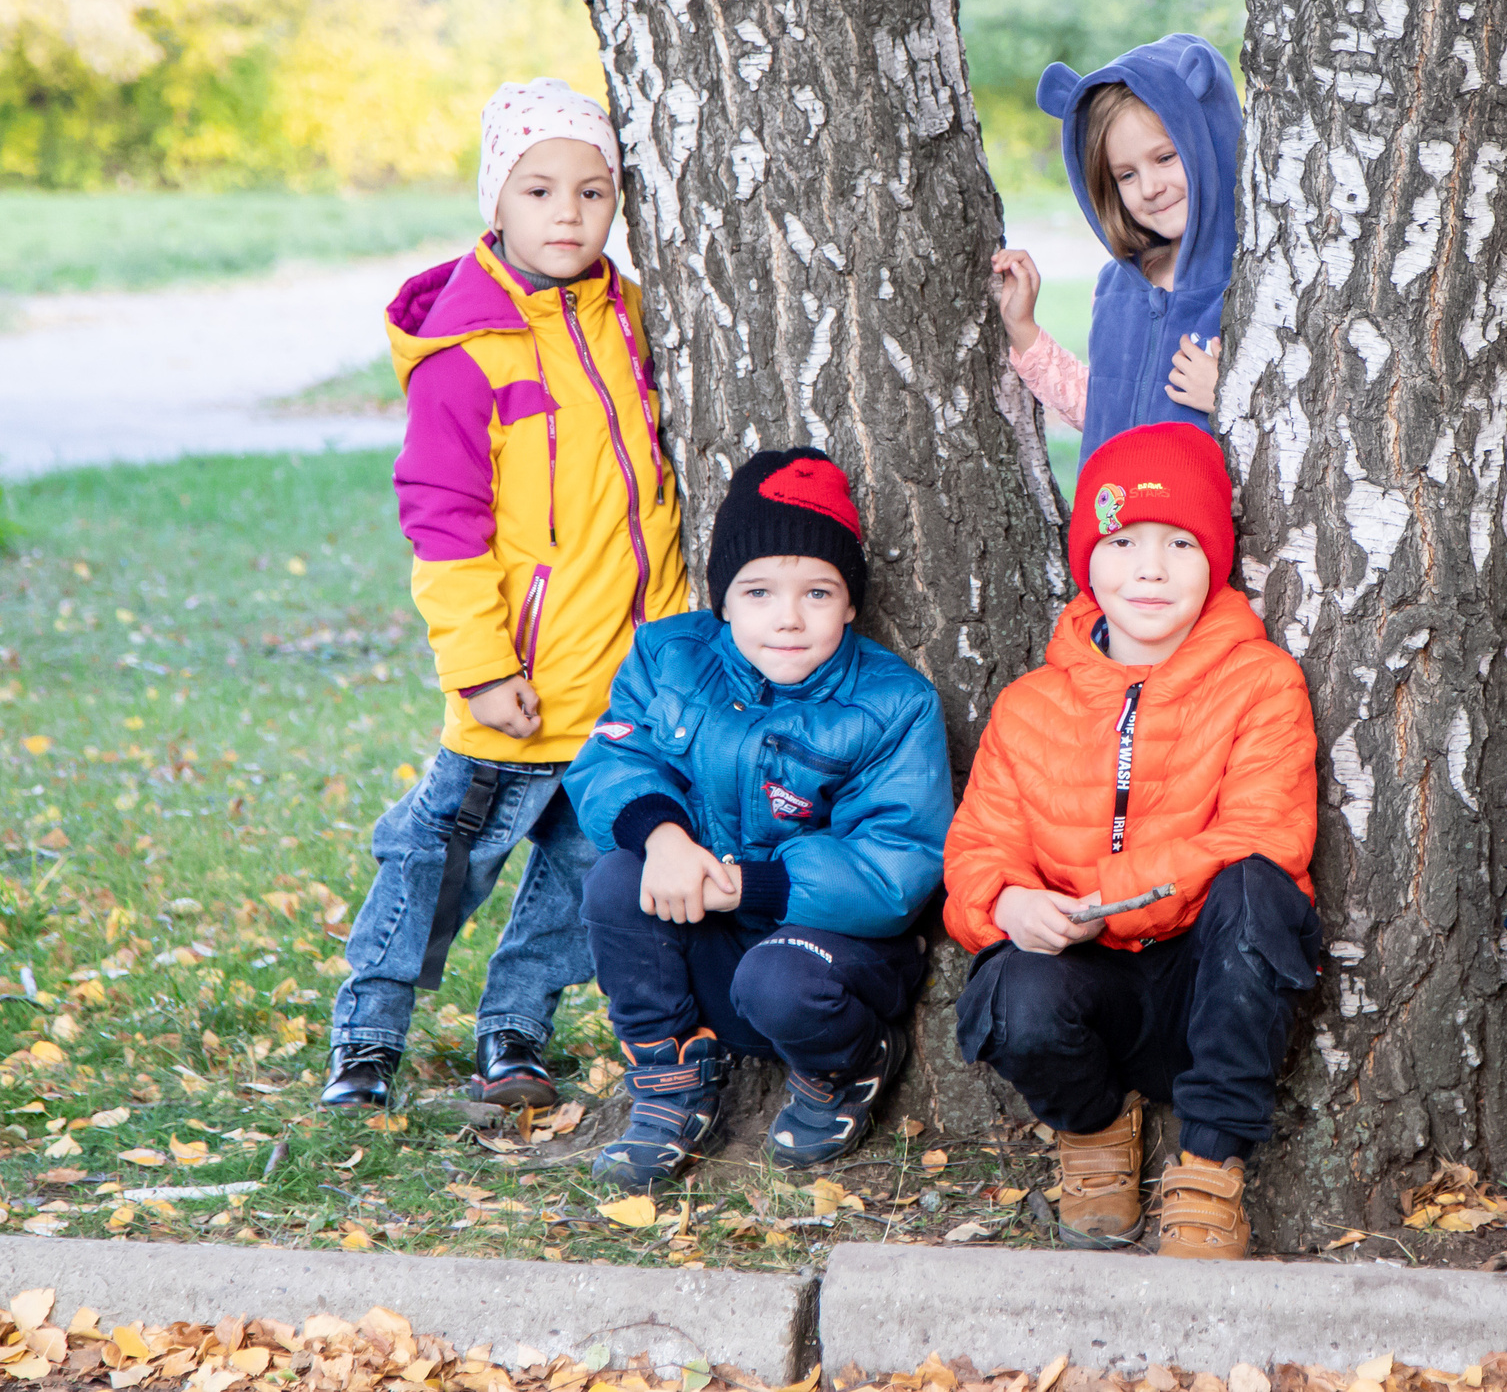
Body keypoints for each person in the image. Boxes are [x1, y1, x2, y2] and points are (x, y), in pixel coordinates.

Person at [325, 78, 686, 1113]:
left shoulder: (634, 317)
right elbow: (443, 526)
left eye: (593, 191)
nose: (568, 215)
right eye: (539, 191)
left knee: (578, 878)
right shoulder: (464, 353)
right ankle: (366, 1038)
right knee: (434, 865)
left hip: (621, 691)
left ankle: (516, 1030)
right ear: (497, 201)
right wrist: (481, 669)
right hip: (515, 688)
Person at [942, 423, 1321, 1259]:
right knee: (1012, 994)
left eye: (1179, 543)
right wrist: (1011, 901)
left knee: (1261, 889)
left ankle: (1210, 1168)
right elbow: (978, 849)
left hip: (1209, 977)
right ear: (1089, 559)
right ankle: (1097, 1129)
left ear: (1215, 558)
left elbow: (1266, 830)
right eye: (1124, 541)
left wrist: (1112, 896)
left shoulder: (1260, 680)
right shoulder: (1031, 703)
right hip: (1091, 982)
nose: (1150, 567)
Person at [566, 449, 952, 1191]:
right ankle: (672, 1071)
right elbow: (612, 759)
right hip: (703, 930)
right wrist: (665, 839)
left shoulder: (894, 703)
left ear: (849, 602)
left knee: (778, 978)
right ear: (724, 599)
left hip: (825, 953)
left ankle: (845, 1068)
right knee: (618, 881)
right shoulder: (668, 654)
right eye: (759, 591)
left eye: (817, 591)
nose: (787, 617)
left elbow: (895, 863)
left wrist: (752, 885)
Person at [990, 36, 1240, 464]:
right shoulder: (1116, 287)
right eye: (1126, 175)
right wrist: (1024, 329)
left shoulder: (1245, 282)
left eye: (1165, 157)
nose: (1150, 187)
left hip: (1192, 524)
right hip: (1113, 522)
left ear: (1207, 140)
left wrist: (1228, 400)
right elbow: (1103, 409)